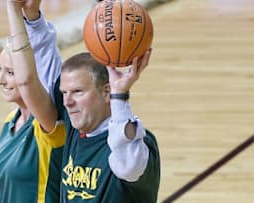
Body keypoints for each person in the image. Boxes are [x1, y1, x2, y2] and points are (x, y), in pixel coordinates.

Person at [9, 0, 160, 202]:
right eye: (64, 92)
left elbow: (129, 167)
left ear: (107, 92)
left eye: (78, 92)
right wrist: (32, 18)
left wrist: (120, 95)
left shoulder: (137, 143)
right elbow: (46, 62)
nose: (67, 102)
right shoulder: (75, 126)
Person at [0, 0, 65, 202]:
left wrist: (14, 7)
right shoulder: (9, 122)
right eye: (0, 70)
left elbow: (29, 79)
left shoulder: (48, 125)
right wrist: (30, 13)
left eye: (10, 72)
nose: (1, 80)